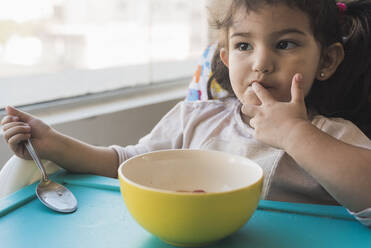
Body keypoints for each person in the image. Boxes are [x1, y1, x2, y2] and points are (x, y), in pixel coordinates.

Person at [1, 0, 371, 226]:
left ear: (326, 60)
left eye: (285, 44)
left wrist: (295, 133)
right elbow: (124, 164)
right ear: (225, 58)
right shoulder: (194, 118)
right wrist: (53, 144)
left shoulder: (333, 135)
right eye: (244, 45)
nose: (261, 64)